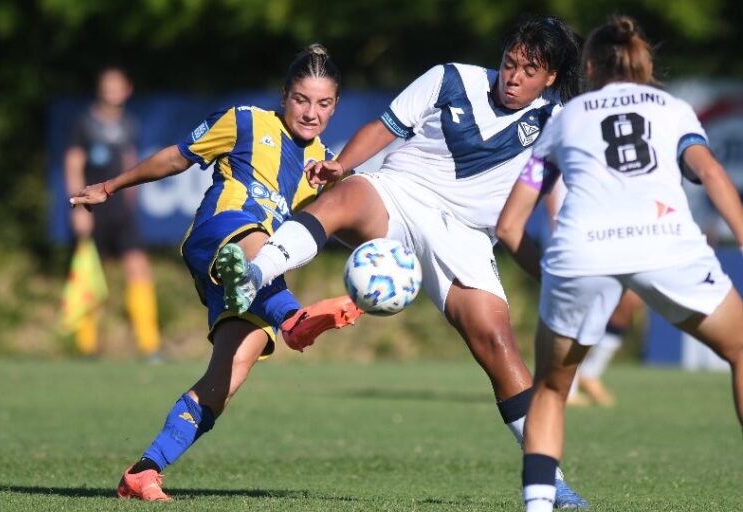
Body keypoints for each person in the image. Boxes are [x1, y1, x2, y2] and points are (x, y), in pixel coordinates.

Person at [221, 17, 588, 509]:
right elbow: (385, 126)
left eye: (529, 70)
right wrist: (343, 164)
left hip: (465, 237)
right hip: (400, 192)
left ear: (551, 78)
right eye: (509, 63)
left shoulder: (558, 122)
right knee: (343, 197)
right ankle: (255, 272)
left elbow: (557, 200)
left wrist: (560, 268)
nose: (513, 76)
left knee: (498, 345)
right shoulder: (450, 78)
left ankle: (552, 482)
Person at [70, 44, 363, 501]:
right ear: (285, 94)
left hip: (256, 280)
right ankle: (293, 320)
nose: (311, 112)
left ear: (336, 105)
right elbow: (176, 157)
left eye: (323, 104)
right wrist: (111, 185)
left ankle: (144, 471)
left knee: (228, 377)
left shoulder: (323, 164)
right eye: (302, 99)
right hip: (219, 234)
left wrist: (376, 252)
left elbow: (325, 227)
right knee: (257, 246)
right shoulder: (246, 120)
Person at [495, 15, 743, 512]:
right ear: (645, 65)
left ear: (588, 66)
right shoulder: (673, 109)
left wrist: (551, 279)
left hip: (582, 251)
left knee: (548, 388)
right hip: (665, 243)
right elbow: (710, 171)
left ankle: (539, 505)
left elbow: (508, 228)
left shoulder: (566, 117)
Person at [64, 67, 161, 359]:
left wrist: (131, 199)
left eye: (117, 86)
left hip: (121, 212)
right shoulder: (84, 123)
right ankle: (87, 346)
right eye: (107, 86)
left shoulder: (129, 124)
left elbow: (131, 162)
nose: (112, 91)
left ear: (126, 89)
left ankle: (149, 346)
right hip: (93, 210)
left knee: (138, 268)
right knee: (94, 274)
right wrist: (78, 206)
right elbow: (73, 165)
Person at [546, 181, 644, 406]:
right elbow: (549, 185)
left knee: (630, 301)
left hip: (606, 236)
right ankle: (565, 386)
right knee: (579, 310)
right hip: (572, 238)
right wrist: (557, 233)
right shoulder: (560, 147)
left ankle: (590, 373)